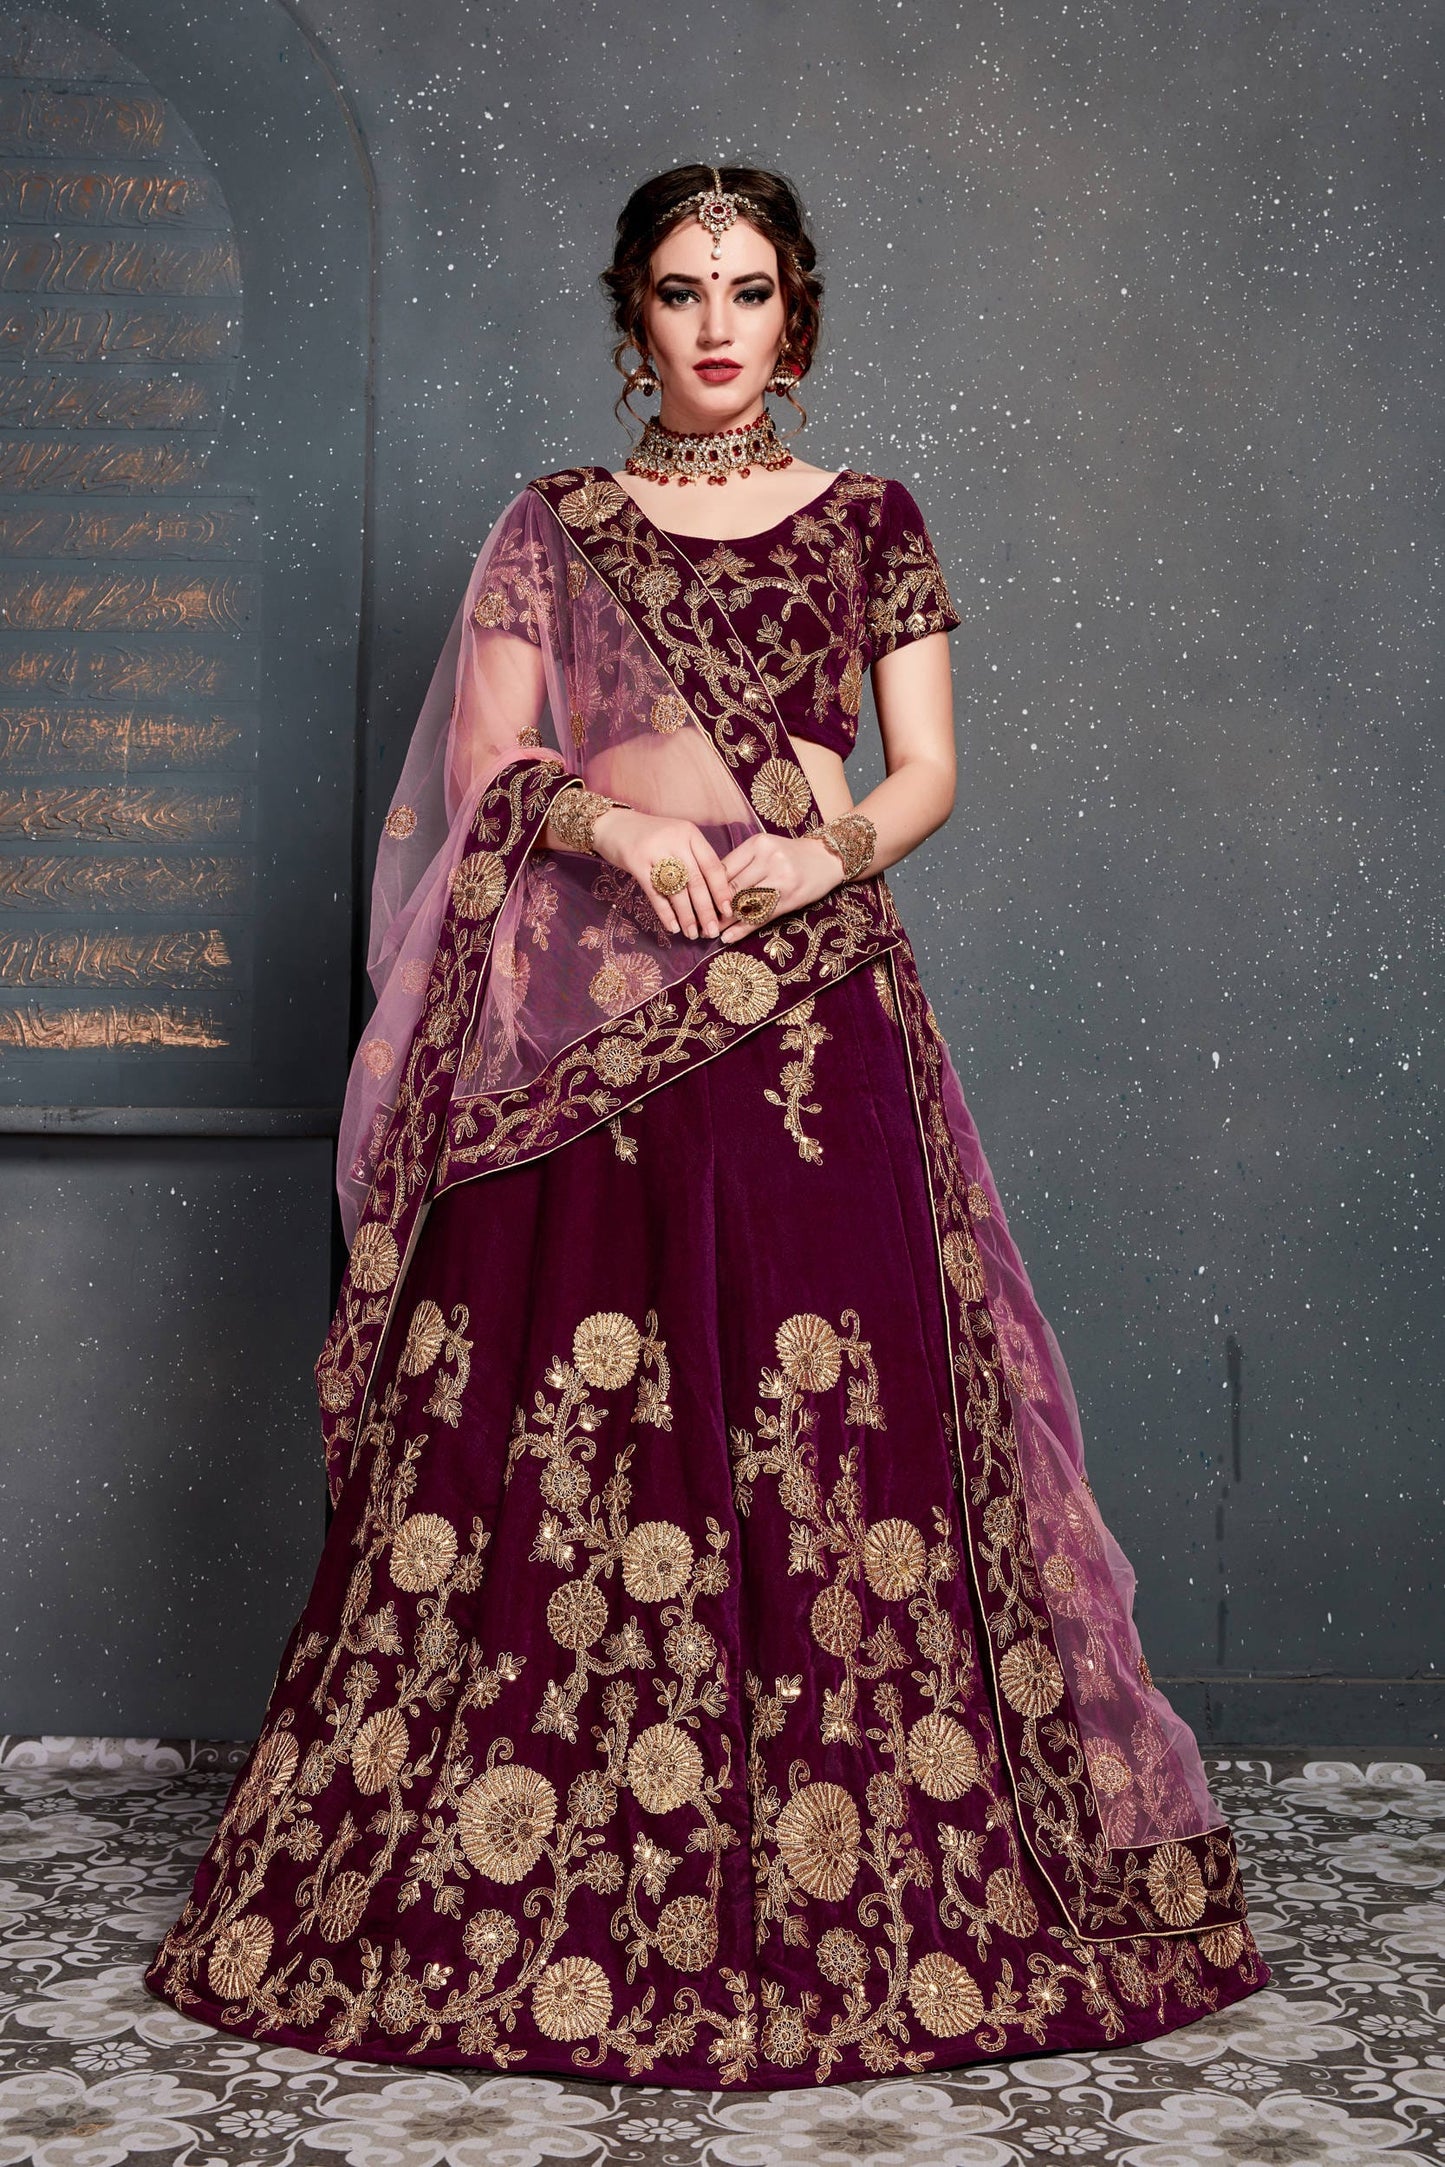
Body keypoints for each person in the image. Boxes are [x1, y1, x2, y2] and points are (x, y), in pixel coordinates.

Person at [145, 163, 1266, 2088]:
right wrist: (618, 824)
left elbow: (925, 771)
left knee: (831, 1412)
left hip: (805, 1002)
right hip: (582, 1023)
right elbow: (492, 759)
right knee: (568, 1414)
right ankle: (545, 1844)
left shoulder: (871, 518)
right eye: (682, 289)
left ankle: (847, 1855)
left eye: (749, 290)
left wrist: (810, 858)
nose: (718, 324)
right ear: (633, 316)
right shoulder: (552, 524)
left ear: (795, 317)